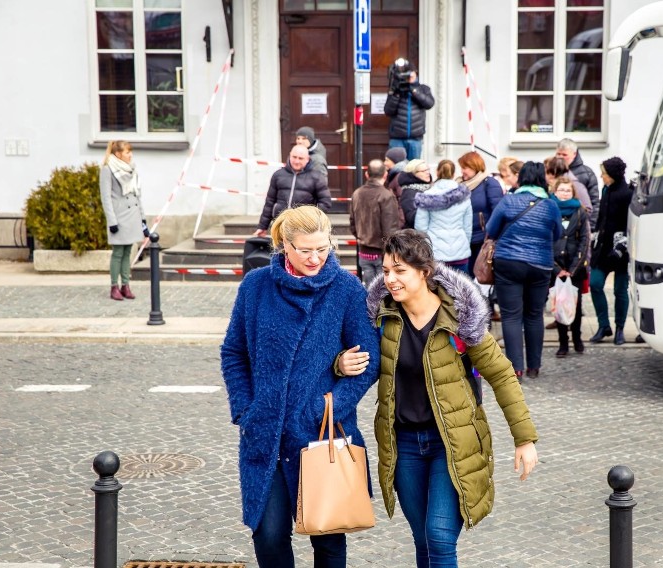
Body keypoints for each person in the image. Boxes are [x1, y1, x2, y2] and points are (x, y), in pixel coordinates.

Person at [367, 229, 539, 567]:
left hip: (451, 444)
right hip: (404, 446)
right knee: (422, 540)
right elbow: (357, 365)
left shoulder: (461, 319)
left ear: (424, 272)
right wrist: (341, 365)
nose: (390, 279)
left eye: (400, 271)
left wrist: (525, 439)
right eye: (386, 271)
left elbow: (501, 375)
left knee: (440, 536)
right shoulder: (382, 319)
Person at [221, 206, 379, 568]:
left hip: (321, 431)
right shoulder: (256, 286)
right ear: (284, 245)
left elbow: (369, 360)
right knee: (269, 534)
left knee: (327, 535)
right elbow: (234, 351)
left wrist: (331, 405)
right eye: (306, 250)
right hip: (267, 432)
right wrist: (247, 409)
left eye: (323, 249)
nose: (315, 258)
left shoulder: (345, 289)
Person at [486, 162, 562, 380]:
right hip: (540, 264)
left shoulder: (508, 201)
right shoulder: (550, 205)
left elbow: (491, 229)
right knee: (535, 314)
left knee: (511, 316)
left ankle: (515, 368)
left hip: (509, 262)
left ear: (522, 179)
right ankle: (534, 367)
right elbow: (556, 234)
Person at [589, 157, 632, 346]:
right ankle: (603, 326)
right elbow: (601, 219)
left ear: (613, 175)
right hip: (602, 248)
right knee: (595, 283)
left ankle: (620, 328)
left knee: (620, 290)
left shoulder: (628, 193)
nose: (601, 176)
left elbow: (630, 226)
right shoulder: (605, 189)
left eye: (604, 173)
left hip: (621, 251)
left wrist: (622, 248)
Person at [99, 140, 147, 301]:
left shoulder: (132, 170)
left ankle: (125, 285)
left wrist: (143, 219)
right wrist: (111, 221)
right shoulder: (107, 170)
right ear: (118, 154)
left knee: (128, 252)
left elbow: (137, 196)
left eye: (130, 151)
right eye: (127, 152)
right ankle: (114, 287)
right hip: (119, 218)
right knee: (118, 253)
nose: (130, 155)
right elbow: (106, 198)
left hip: (132, 216)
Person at [549, 177, 591, 356]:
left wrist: (573, 268)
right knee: (558, 306)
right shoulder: (550, 210)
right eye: (561, 190)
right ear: (555, 191)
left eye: (568, 190)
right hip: (556, 266)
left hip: (575, 266)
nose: (565, 193)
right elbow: (545, 240)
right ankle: (563, 342)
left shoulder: (580, 211)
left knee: (576, 305)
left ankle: (577, 338)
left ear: (572, 192)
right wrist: (557, 269)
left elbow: (584, 240)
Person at [253, 145, 332, 237]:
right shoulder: (278, 175)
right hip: (280, 225)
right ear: (290, 156)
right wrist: (262, 226)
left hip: (303, 227)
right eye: (294, 157)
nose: (297, 161)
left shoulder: (317, 177)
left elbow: (325, 203)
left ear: (307, 159)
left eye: (301, 158)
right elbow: (269, 202)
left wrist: (310, 219)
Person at [414, 159, 472, 273]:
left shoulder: (426, 197)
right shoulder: (464, 196)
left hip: (435, 252)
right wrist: (464, 244)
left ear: (437, 172)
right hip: (460, 250)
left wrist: (426, 250)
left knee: (435, 289)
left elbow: (421, 228)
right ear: (454, 174)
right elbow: (468, 227)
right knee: (461, 289)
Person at [350, 159, 402, 285]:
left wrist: (361, 237)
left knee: (370, 289)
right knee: (384, 290)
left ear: (367, 174)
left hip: (363, 250)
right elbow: (390, 230)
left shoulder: (357, 193)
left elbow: (352, 223)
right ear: (385, 175)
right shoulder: (386, 195)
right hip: (382, 252)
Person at [459, 151, 504, 274]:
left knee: (480, 275)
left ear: (475, 166)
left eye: (465, 167)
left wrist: (491, 234)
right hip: (464, 238)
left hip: (482, 239)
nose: (462, 171)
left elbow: (498, 210)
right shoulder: (461, 185)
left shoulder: (489, 183)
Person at [384, 58, 435, 160]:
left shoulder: (423, 89)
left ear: (415, 73)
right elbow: (388, 111)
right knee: (397, 168)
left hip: (415, 139)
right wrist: (396, 93)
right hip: (397, 138)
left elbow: (429, 104)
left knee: (413, 170)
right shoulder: (395, 91)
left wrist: (413, 90)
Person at [555, 138, 600, 230]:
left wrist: (590, 227)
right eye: (558, 154)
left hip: (578, 225)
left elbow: (594, 202)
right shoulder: (552, 172)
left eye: (564, 155)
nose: (560, 157)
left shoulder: (587, 174)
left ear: (574, 154)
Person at [397, 159, 432, 229]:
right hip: (415, 235)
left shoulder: (430, 188)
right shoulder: (409, 192)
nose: (428, 172)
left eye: (428, 169)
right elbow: (411, 218)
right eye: (423, 171)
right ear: (413, 174)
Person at [384, 146, 408, 225]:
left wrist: (399, 224)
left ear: (395, 161)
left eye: (387, 160)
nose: (384, 163)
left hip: (399, 222)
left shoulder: (399, 177)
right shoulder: (395, 174)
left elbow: (401, 201)